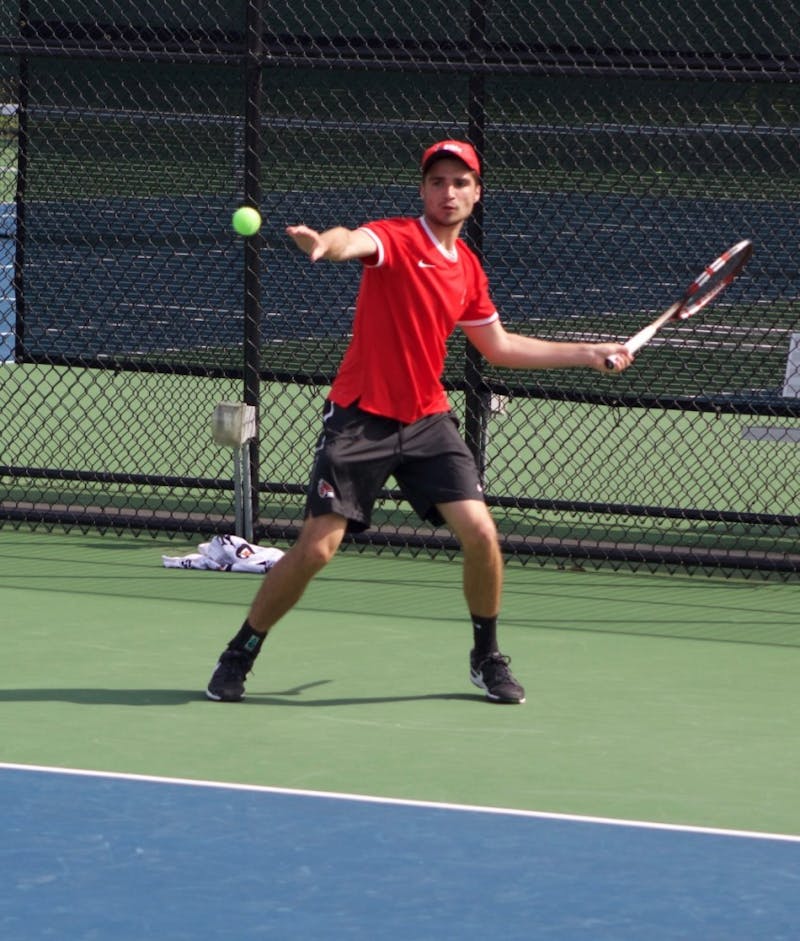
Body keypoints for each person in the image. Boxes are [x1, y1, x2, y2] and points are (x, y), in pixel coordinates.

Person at [206, 139, 633, 705]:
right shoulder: (399, 238)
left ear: (476, 194)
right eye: (437, 182)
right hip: (361, 418)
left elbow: (498, 346)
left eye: (460, 182)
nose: (448, 191)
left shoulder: (469, 270)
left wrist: (584, 353)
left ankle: (487, 657)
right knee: (316, 550)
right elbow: (352, 240)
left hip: (428, 419)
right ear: (423, 190)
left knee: (481, 533)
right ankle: (241, 650)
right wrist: (326, 246)